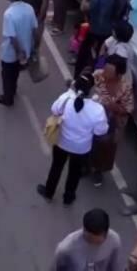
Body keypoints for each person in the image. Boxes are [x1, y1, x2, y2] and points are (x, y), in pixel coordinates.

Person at [37, 72, 108, 205]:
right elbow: (100, 131)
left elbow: (55, 110)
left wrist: (69, 91)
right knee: (74, 173)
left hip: (62, 142)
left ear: (75, 84)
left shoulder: (66, 99)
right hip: (81, 148)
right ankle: (68, 197)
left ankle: (49, 192)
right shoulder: (98, 109)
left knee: (56, 167)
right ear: (92, 89)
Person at [89, 55, 134, 187]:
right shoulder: (98, 75)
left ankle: (98, 170)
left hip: (111, 123)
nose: (105, 73)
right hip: (92, 118)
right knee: (87, 142)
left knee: (105, 148)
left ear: (119, 74)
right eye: (105, 69)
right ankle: (85, 165)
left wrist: (111, 106)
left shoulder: (125, 87)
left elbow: (128, 109)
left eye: (109, 71)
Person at [77, 0, 129, 73]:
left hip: (95, 30)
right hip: (110, 33)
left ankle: (77, 74)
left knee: (83, 53)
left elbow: (83, 8)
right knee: (102, 55)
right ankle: (97, 72)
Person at [0, 0, 36, 107]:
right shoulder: (29, 8)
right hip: (27, 48)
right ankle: (13, 89)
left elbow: (12, 37)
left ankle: (8, 98)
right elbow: (34, 29)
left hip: (11, 52)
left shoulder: (9, 14)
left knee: (7, 74)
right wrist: (33, 47)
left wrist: (19, 53)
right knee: (16, 72)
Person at [53, 208, 122, 271]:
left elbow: (115, 266)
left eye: (98, 242)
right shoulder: (66, 249)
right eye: (89, 240)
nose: (93, 245)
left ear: (106, 233)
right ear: (83, 229)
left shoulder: (114, 240)